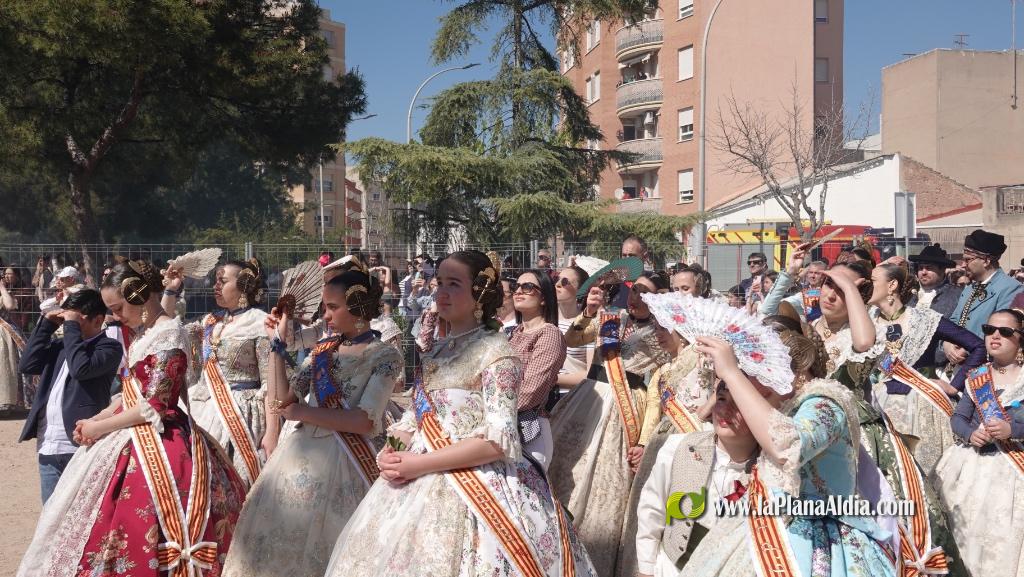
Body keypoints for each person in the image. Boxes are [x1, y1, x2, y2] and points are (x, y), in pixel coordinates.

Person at [322, 250, 596, 577]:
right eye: (439, 283)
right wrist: (391, 449)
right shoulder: (437, 352)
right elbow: (415, 418)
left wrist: (418, 464)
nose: (441, 292)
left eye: (454, 284)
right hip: (413, 480)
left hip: (478, 482)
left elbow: (498, 441)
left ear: (479, 292)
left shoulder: (497, 352)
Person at [18, 261, 245, 577]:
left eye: (118, 307)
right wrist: (99, 416)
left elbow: (154, 405)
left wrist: (99, 426)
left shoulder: (168, 334)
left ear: (138, 294)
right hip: (135, 432)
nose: (116, 316)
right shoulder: (147, 333)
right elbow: (131, 392)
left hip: (165, 440)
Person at [221, 269, 402, 577]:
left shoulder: (384, 356)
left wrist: (304, 414)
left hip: (347, 460)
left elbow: (362, 420)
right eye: (325, 307)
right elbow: (282, 402)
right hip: (297, 455)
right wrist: (276, 347)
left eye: (333, 307)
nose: (326, 315)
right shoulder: (322, 352)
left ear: (357, 305)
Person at [679, 321, 896, 577]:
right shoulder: (782, 407)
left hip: (821, 542)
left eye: (755, 371)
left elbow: (788, 447)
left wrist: (732, 374)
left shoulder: (825, 402)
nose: (749, 381)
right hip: (761, 524)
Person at [549, 269, 669, 577]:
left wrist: (643, 440)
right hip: (589, 398)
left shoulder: (663, 333)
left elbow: (656, 392)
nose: (636, 296)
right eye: (635, 289)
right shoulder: (611, 319)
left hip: (626, 408)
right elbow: (572, 339)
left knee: (607, 488)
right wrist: (588, 312)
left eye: (645, 292)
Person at [867, 263, 985, 477]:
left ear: (891, 285)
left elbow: (979, 346)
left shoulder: (925, 319)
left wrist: (954, 385)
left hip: (921, 406)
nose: (867, 285)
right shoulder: (865, 324)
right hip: (877, 406)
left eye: (872, 281)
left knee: (923, 476)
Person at [164, 258, 273, 487]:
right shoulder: (211, 321)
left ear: (244, 285)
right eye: (215, 280)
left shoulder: (261, 323)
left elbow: (270, 381)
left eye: (222, 281)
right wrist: (171, 290)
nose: (216, 286)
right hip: (205, 408)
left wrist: (272, 431)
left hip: (241, 415)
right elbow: (165, 332)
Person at [634, 381, 757, 577]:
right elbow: (652, 509)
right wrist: (646, 569)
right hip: (668, 569)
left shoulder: (768, 474)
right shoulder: (679, 447)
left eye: (738, 403)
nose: (725, 410)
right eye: (722, 399)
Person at [934, 308, 1024, 577]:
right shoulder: (977, 376)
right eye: (989, 330)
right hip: (970, 464)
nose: (995, 336)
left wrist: (1012, 428)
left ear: (1020, 339)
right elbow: (959, 417)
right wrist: (970, 434)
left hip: (1013, 467)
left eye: (1005, 332)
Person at [16, 289, 122, 502]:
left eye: (76, 320)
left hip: (81, 443)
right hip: (49, 445)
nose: (69, 325)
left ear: (98, 320)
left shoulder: (109, 347)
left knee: (79, 518)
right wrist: (46, 325)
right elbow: (27, 365)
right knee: (50, 515)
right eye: (67, 319)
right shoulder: (60, 347)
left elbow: (80, 369)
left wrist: (72, 328)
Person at [508, 269, 566, 470]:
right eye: (516, 286)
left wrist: (491, 411)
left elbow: (530, 391)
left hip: (528, 431)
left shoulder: (549, 335)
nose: (518, 291)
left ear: (544, 298)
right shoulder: (512, 334)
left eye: (528, 287)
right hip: (501, 425)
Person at [948, 230, 1023, 339]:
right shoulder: (969, 289)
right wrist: (947, 344)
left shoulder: (1012, 289)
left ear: (986, 261)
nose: (963, 265)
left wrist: (967, 347)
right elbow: (954, 321)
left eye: (968, 259)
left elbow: (1001, 331)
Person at [554, 265, 593, 400]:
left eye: (565, 282)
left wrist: (552, 378)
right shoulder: (545, 320)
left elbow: (591, 373)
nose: (558, 284)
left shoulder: (588, 324)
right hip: (544, 397)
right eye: (556, 279)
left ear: (580, 291)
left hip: (573, 397)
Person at [1, 273, 28, 412]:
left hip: (3, 333)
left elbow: (10, 305)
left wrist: (2, 288)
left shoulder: (6, 294)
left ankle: (6, 403)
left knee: (6, 366)